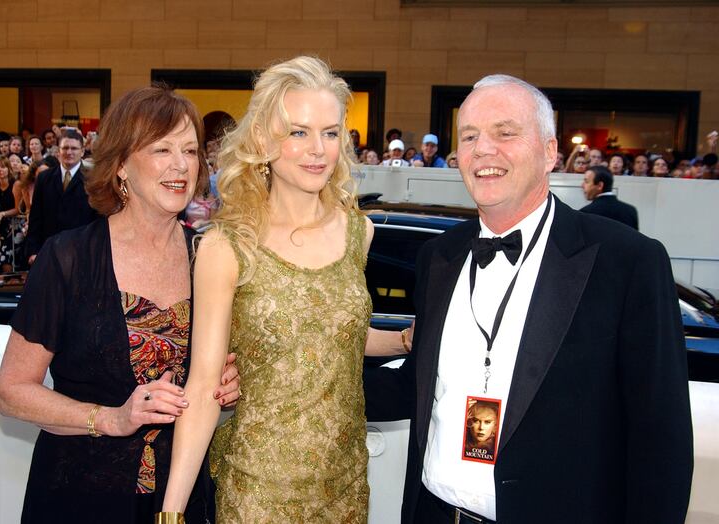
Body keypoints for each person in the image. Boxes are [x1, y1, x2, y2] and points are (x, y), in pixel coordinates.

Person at [363, 74, 692, 523]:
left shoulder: (628, 262)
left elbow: (661, 441)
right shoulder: (439, 257)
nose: (483, 150)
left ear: (551, 152)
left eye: (505, 133)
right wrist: (280, 379)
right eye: (471, 136)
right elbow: (414, 387)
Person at [0, 86, 240, 524]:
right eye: (162, 148)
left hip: (179, 499)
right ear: (122, 163)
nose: (181, 165)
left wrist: (225, 388)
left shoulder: (209, 259)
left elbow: (208, 386)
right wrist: (112, 418)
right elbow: (12, 393)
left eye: (189, 150)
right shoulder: (68, 257)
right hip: (79, 499)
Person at [162, 56, 375, 523]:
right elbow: (202, 387)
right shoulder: (227, 245)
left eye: (331, 132)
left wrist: (401, 339)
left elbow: (329, 330)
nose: (318, 149)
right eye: (298, 132)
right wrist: (171, 513)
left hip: (345, 490)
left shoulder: (360, 231)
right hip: (257, 493)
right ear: (262, 139)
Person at [25, 129, 98, 264]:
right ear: (58, 151)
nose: (69, 152)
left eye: (74, 148)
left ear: (82, 151)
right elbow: (36, 216)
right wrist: (33, 250)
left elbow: (98, 219)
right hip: (49, 251)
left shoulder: (93, 180)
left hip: (82, 253)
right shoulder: (44, 178)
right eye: (65, 148)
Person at [0, 155, 23, 272]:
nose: (0, 170)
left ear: (9, 169)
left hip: (16, 224)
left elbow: (17, 209)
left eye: (3, 167)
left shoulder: (16, 184)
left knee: (6, 255)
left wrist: (1, 214)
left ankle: (10, 281)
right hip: (0, 225)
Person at [580, 165, 639, 230]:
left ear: (600, 185)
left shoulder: (585, 213)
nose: (582, 185)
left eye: (586, 181)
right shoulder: (630, 211)